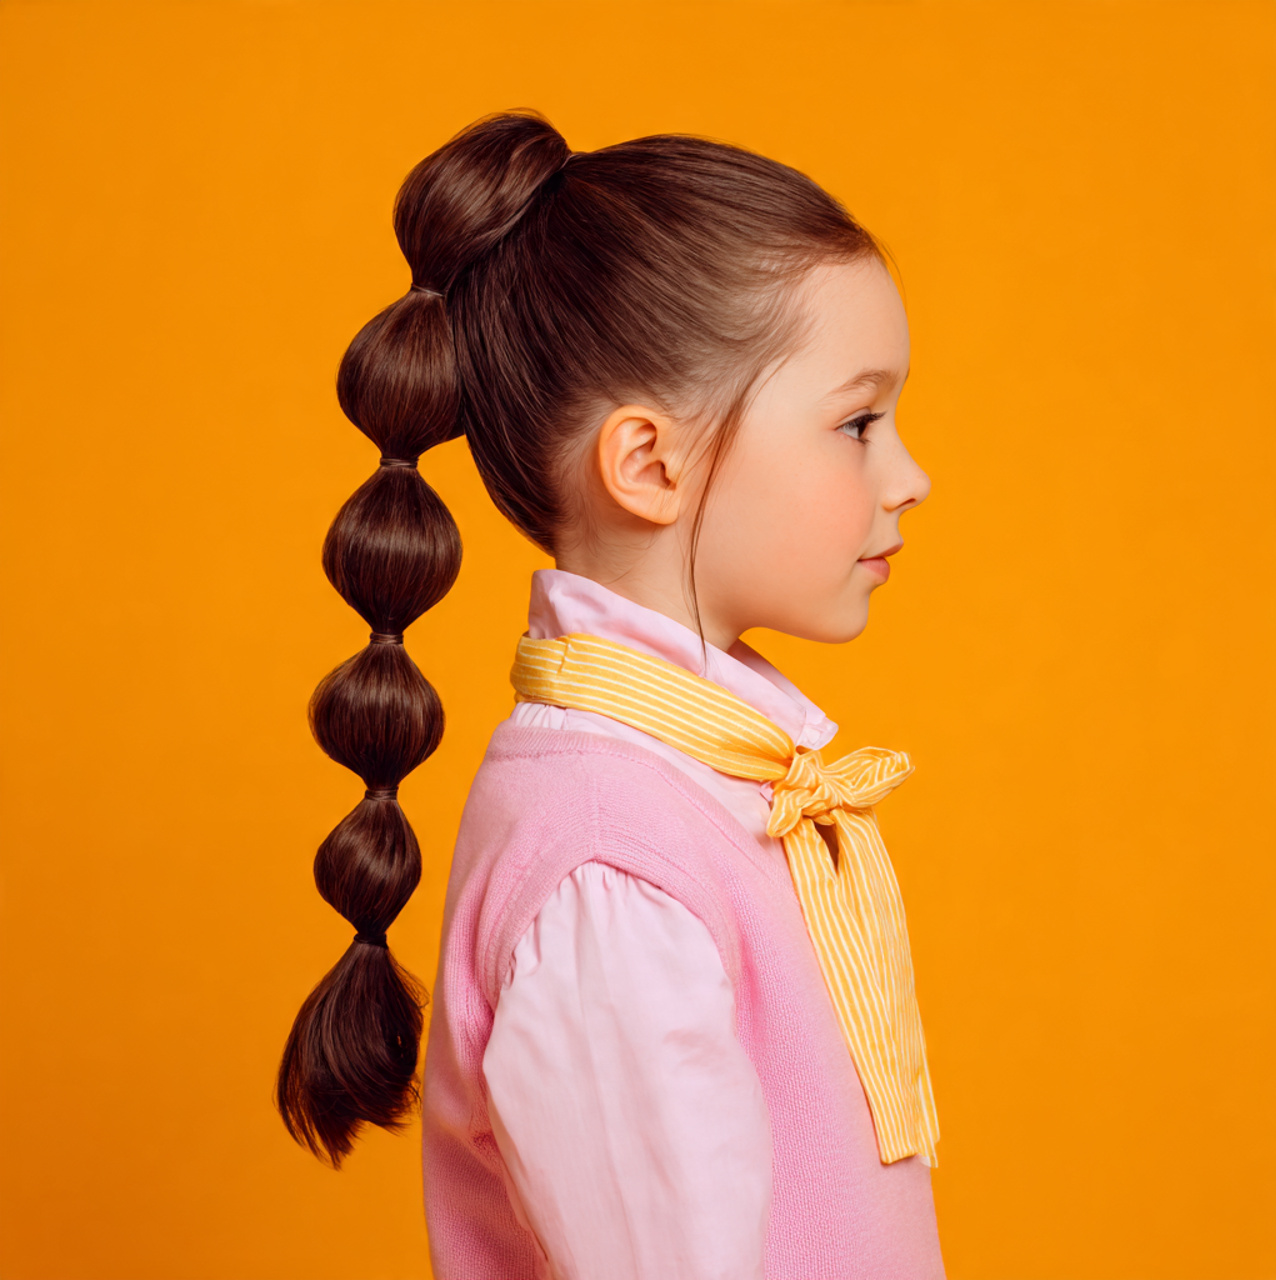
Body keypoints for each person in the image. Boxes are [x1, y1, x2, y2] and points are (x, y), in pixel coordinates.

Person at [277, 108, 945, 1279]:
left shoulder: (699, 788)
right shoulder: (608, 868)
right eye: (856, 421)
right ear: (648, 463)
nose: (910, 476)